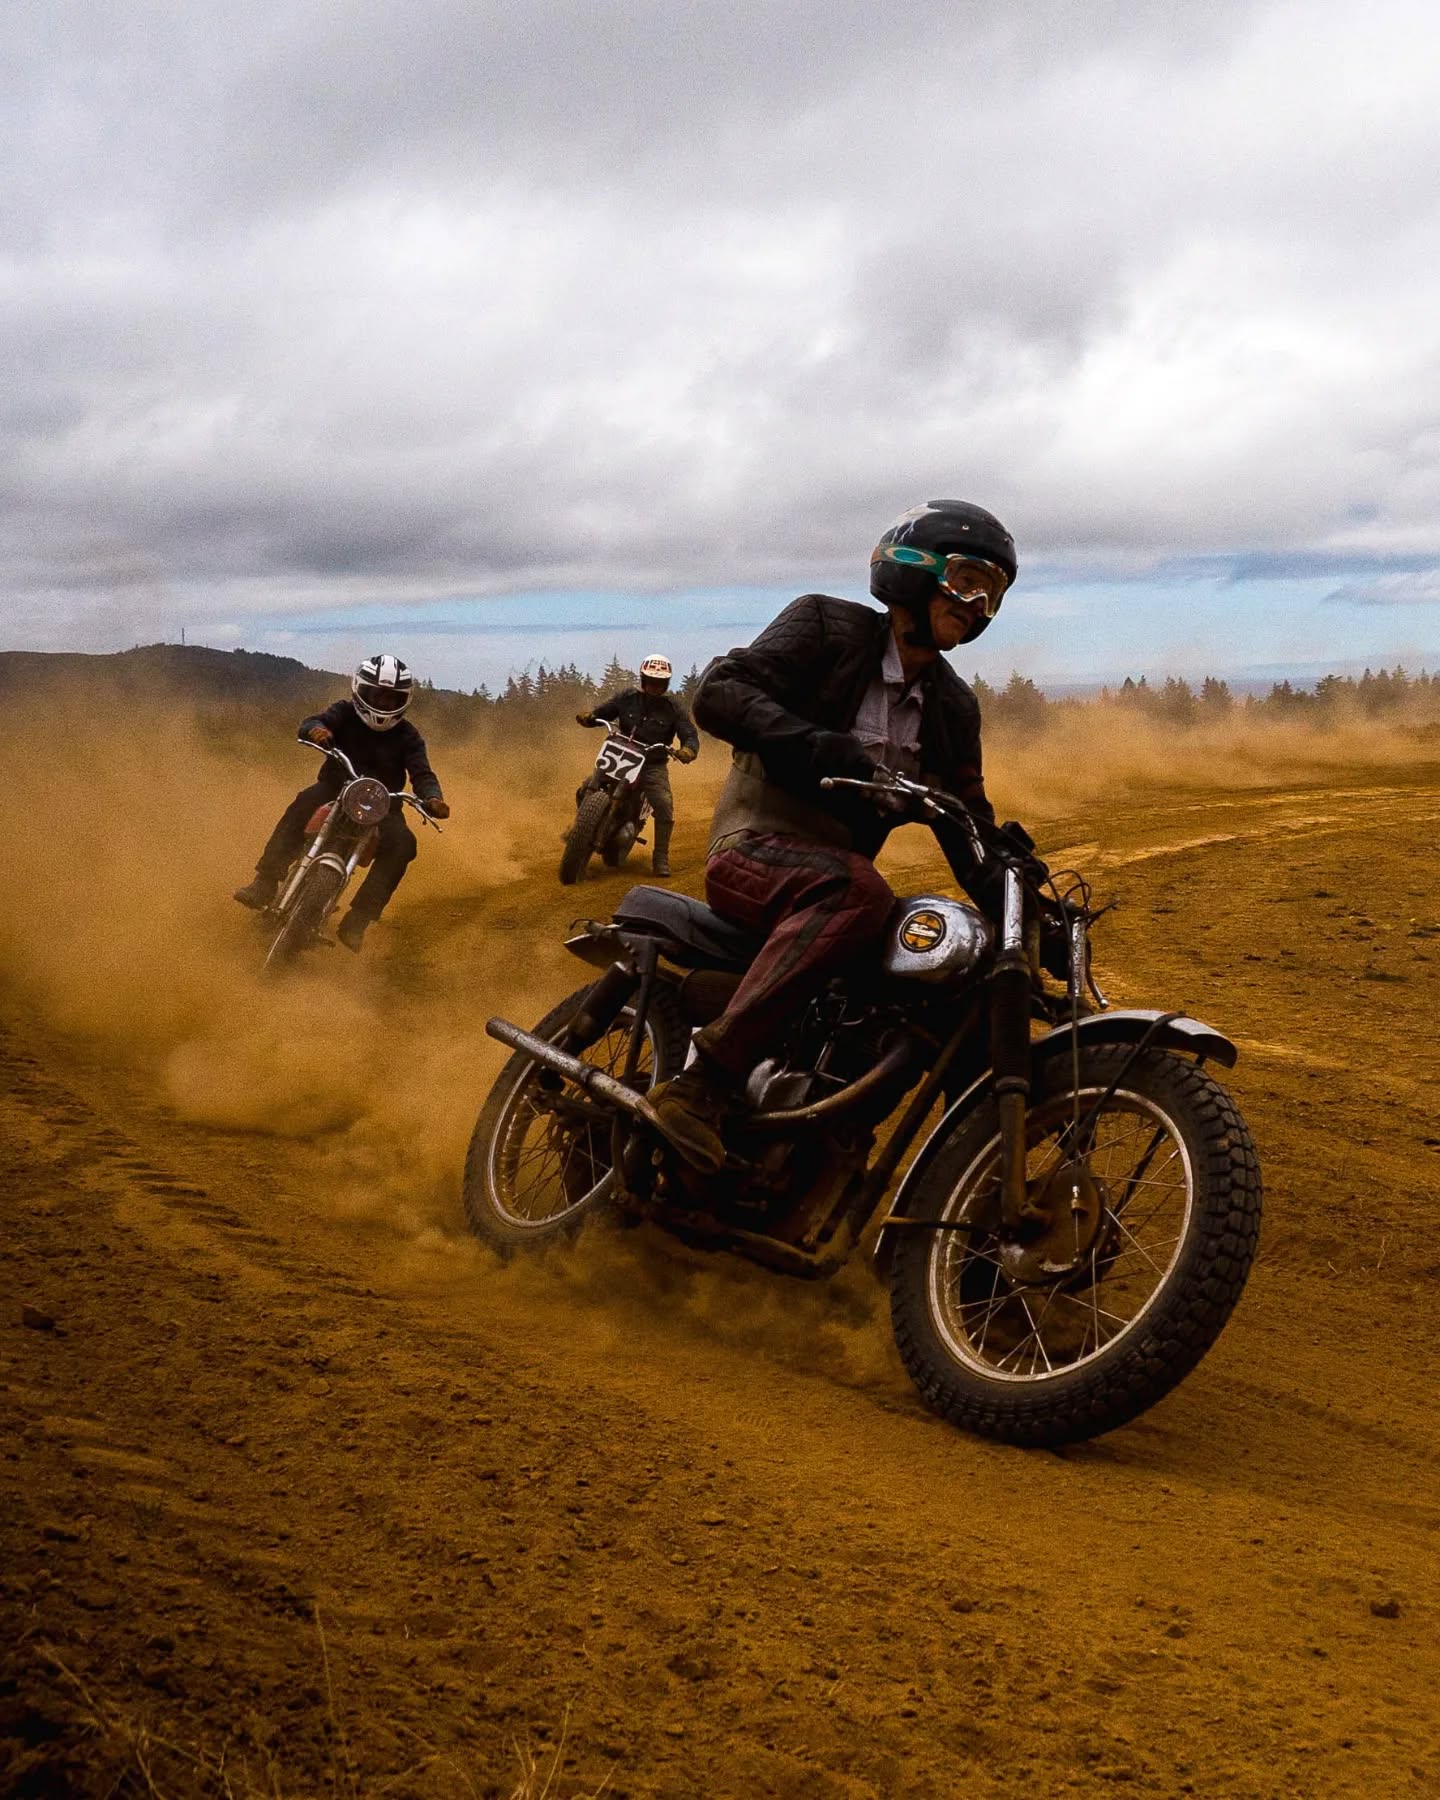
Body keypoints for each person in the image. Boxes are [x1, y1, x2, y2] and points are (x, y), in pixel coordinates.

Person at [646, 499, 1056, 1172]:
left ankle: (855, 1155)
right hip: (753, 850)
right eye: (965, 580)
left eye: (993, 593)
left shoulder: (953, 707)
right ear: (911, 571)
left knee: (950, 973)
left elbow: (969, 827)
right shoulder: (824, 627)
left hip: (833, 888)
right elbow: (720, 692)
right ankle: (701, 1085)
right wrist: (816, 746)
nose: (976, 604)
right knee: (860, 892)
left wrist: (1031, 905)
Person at [233, 652, 451, 951]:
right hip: (335, 788)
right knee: (302, 804)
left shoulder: (408, 736)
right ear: (360, 689)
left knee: (403, 844)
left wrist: (433, 798)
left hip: (383, 805)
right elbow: (314, 721)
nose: (384, 704)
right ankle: (266, 881)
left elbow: (422, 773)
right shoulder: (344, 713)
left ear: (404, 701)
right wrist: (316, 730)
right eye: (377, 695)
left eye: (392, 699)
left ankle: (358, 919)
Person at [576, 654, 699, 877]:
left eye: (660, 683)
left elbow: (689, 734)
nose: (654, 687)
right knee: (585, 787)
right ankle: (580, 831)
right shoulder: (627, 697)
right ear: (643, 680)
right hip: (619, 751)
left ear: (666, 684)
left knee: (663, 804)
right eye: (651, 681)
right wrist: (590, 716)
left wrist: (688, 750)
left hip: (652, 762)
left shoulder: (673, 709)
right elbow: (604, 711)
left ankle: (660, 857)